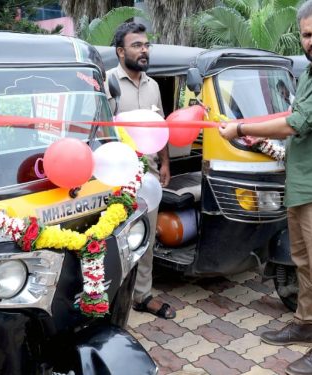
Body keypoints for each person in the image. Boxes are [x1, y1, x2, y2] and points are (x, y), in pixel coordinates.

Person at [219, 0, 312, 373]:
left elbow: (294, 123)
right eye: (306, 34)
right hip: (304, 186)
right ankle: (304, 324)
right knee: (306, 265)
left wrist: (241, 127)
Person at [105, 22, 175, 319]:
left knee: (145, 237)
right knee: (113, 236)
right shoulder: (105, 81)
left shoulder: (154, 85)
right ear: (121, 51)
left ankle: (142, 295)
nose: (144, 50)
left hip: (148, 177)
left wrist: (166, 162)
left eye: (146, 45)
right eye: (137, 45)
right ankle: (108, 296)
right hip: (114, 177)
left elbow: (161, 127)